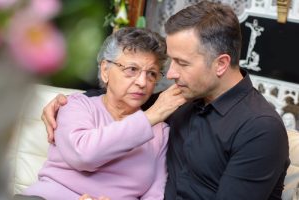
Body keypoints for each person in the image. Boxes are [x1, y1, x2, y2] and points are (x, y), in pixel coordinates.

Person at [42, 1, 290, 199]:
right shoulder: (182, 98)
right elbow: (124, 97)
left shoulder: (260, 128)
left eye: (182, 63)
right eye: (171, 62)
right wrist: (63, 102)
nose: (170, 74)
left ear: (221, 64)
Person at [18, 27, 186, 200]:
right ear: (105, 70)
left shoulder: (162, 133)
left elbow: (155, 195)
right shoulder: (76, 106)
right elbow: (83, 156)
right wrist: (150, 117)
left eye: (151, 73)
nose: (142, 82)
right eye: (132, 69)